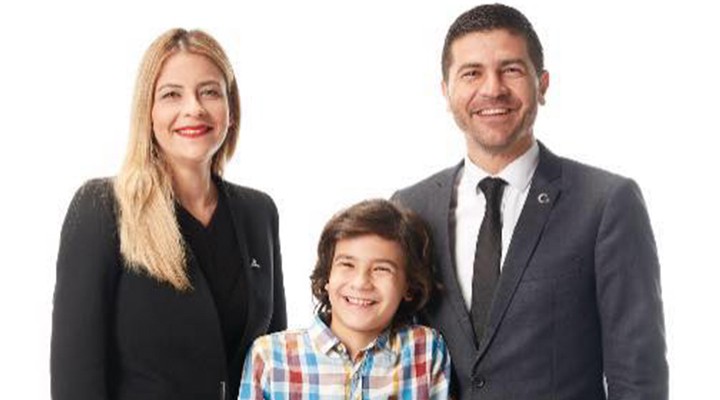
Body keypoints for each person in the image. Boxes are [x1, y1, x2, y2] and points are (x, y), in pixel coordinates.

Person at [392, 4, 668, 399]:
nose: (492, 89)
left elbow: (638, 377)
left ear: (543, 85)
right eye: (471, 73)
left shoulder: (605, 203)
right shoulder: (411, 207)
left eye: (511, 70)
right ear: (446, 91)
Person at [51, 29, 286, 400]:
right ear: (148, 112)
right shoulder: (101, 208)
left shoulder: (259, 212)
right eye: (172, 95)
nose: (194, 108)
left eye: (210, 92)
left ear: (231, 110)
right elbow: (76, 378)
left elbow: (277, 362)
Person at [239, 199, 450, 399]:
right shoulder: (270, 357)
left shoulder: (426, 349)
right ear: (326, 277)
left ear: (408, 287)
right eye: (347, 265)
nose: (361, 283)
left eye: (381, 269)